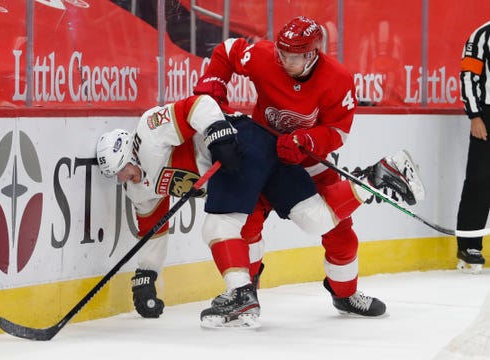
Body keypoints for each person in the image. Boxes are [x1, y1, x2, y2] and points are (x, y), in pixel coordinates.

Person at [96, 94, 422, 327]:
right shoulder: (136, 188)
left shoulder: (149, 132)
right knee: (317, 219)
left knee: (217, 228)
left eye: (123, 168)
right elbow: (154, 230)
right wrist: (146, 273)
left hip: (242, 145)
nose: (124, 177)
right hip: (252, 163)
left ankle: (240, 296)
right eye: (117, 176)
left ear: (131, 150)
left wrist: (217, 133)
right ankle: (380, 176)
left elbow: (200, 104)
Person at [193, 15, 425, 322]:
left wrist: (308, 140)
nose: (284, 60)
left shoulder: (338, 78)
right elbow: (227, 50)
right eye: (282, 53)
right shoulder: (265, 56)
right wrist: (214, 86)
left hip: (308, 162)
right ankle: (244, 296)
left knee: (338, 230)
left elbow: (338, 131)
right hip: (261, 157)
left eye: (293, 56)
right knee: (245, 228)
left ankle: (345, 295)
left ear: (312, 53)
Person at [455, 21, 490, 273]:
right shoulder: (481, 34)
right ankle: (469, 245)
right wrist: (475, 115)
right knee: (479, 179)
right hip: (486, 116)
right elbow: (468, 75)